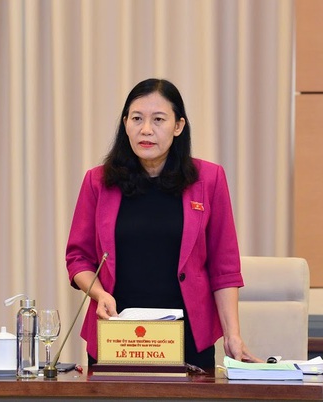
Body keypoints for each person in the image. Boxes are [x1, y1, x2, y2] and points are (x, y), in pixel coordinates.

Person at [65, 78, 260, 369]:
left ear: (178, 126)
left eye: (158, 119)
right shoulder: (98, 181)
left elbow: (224, 266)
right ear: (125, 124)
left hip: (188, 337)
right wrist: (98, 293)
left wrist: (233, 335)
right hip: (117, 334)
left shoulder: (208, 180)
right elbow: (77, 257)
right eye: (137, 119)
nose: (146, 130)